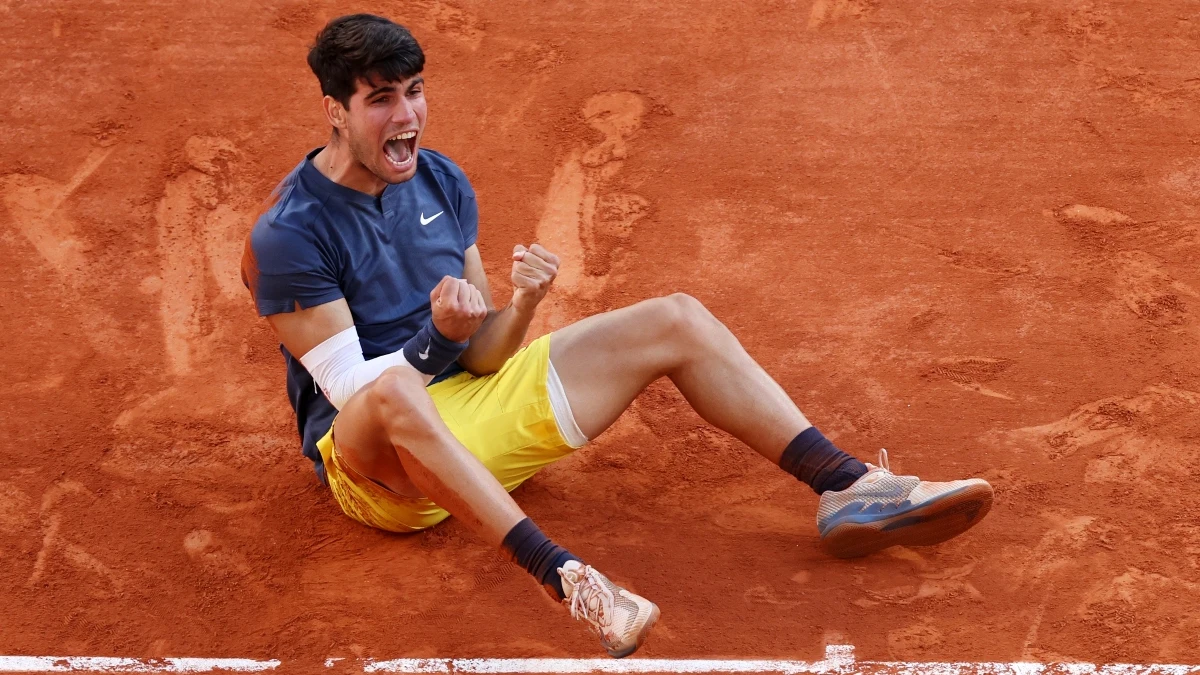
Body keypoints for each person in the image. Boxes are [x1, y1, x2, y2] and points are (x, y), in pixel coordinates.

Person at [241, 13, 994, 659]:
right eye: (380, 100)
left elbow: (485, 355)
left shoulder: (439, 181)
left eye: (414, 92)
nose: (406, 116)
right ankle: (572, 581)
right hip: (382, 475)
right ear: (334, 110)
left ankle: (849, 486)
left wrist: (524, 304)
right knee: (401, 386)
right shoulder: (288, 238)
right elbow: (361, 396)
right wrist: (439, 339)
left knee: (677, 316)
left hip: (465, 411)